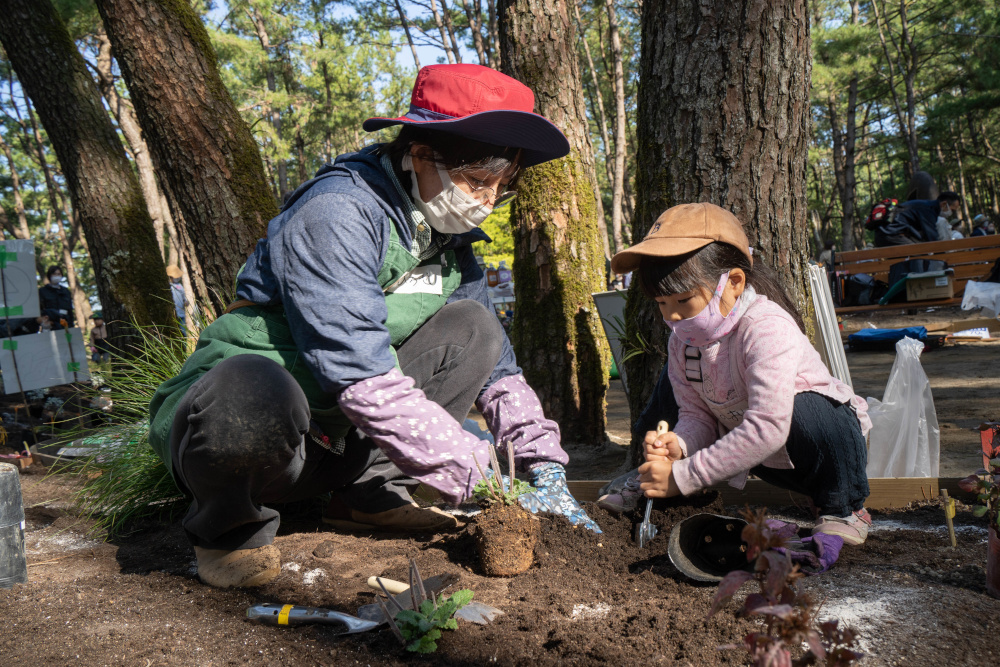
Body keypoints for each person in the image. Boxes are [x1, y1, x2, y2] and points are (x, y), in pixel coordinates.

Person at [148, 64, 599, 589]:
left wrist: (542, 464)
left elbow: (499, 371)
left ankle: (369, 495)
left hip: (337, 441)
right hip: (253, 437)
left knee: (475, 326)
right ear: (422, 153)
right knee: (249, 390)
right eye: (477, 181)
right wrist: (483, 476)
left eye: (502, 186)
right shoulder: (338, 212)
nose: (487, 202)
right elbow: (360, 376)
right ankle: (229, 530)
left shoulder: (449, 241)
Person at [596, 203, 873, 545]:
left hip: (823, 451)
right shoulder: (683, 342)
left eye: (684, 300)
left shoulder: (765, 327)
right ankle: (660, 485)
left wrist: (685, 475)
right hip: (761, 454)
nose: (673, 317)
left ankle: (843, 506)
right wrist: (680, 445)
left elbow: (769, 427)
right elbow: (696, 415)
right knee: (670, 386)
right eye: (662, 303)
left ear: (734, 282)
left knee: (807, 406)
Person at [874, 191, 961, 247]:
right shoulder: (928, 210)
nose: (951, 213)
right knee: (918, 255)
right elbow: (932, 239)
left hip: (885, 235)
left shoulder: (926, 206)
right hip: (890, 235)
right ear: (944, 204)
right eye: (952, 210)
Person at [37, 266, 75, 330]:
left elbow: (70, 309)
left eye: (58, 274)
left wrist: (71, 324)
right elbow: (40, 308)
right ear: (50, 276)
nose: (56, 276)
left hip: (65, 322)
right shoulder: (43, 291)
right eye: (54, 274)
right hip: (50, 323)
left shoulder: (65, 291)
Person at [166, 265, 188, 333]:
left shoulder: (179, 286)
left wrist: (186, 302)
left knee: (184, 332)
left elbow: (183, 296)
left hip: (181, 314)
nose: (177, 278)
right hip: (173, 314)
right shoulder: (168, 286)